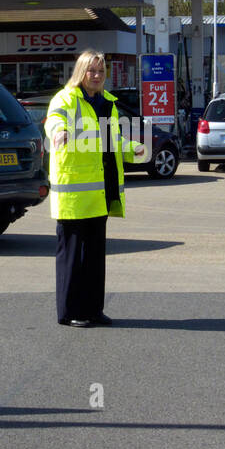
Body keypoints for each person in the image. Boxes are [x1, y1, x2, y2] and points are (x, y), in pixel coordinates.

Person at [44, 51, 143, 328]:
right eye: (92, 71)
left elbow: (113, 141)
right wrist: (57, 132)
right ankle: (70, 311)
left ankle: (93, 309)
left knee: (95, 258)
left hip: (100, 193)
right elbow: (53, 120)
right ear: (80, 72)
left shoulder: (107, 103)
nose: (97, 76)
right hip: (74, 195)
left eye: (101, 71)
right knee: (73, 258)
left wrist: (134, 149)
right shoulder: (66, 98)